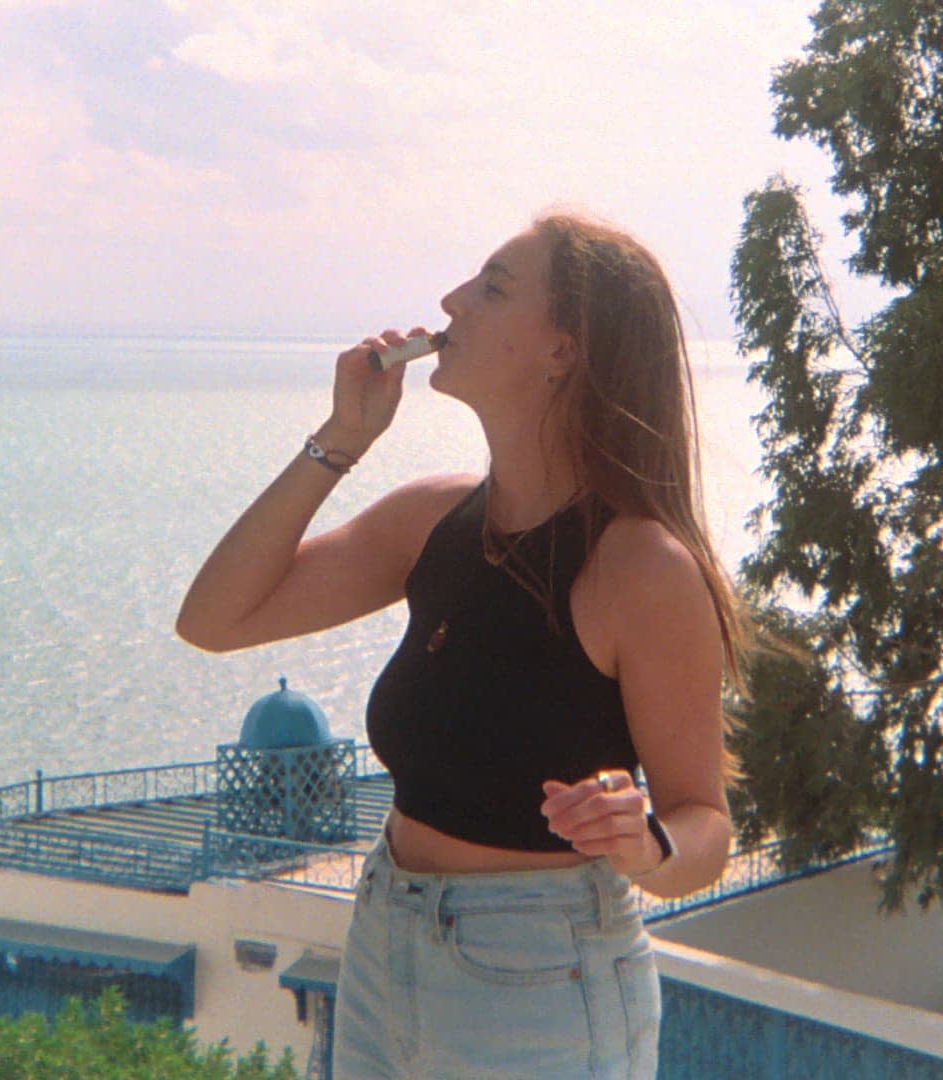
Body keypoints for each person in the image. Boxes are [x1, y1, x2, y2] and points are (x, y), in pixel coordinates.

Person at [176, 212, 743, 1078]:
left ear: (562, 350)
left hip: (541, 974)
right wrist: (341, 441)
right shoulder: (432, 520)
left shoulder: (639, 567)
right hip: (382, 938)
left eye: (493, 287)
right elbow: (214, 620)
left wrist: (648, 846)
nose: (451, 301)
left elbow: (705, 820)